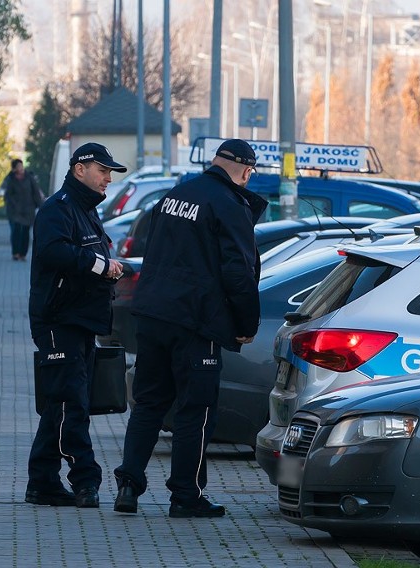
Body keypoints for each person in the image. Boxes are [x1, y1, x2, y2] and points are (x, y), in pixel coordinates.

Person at [113, 139, 267, 518]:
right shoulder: (229, 205)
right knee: (195, 410)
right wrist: (246, 324)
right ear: (246, 170)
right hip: (195, 322)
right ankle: (186, 495)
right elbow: (238, 272)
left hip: (152, 315)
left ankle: (128, 485)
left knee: (148, 404)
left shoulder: (175, 195)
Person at [25, 142, 127, 508]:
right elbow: (54, 252)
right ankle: (86, 479)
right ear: (80, 169)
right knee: (72, 403)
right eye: (103, 171)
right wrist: (100, 266)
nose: (108, 180)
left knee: (59, 404)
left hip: (81, 321)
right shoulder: (58, 209)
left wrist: (107, 267)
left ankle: (42, 482)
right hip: (59, 321)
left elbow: (84, 256)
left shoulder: (85, 211)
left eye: (110, 173)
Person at [0, 158, 46, 261]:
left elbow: (36, 192)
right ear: (14, 168)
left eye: (21, 166)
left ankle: (23, 253)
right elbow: (8, 195)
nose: (21, 168)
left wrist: (41, 206)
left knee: (25, 232)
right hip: (15, 210)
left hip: (28, 209)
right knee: (16, 231)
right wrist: (12, 205)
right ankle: (15, 253)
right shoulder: (11, 179)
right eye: (18, 166)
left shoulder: (29, 178)